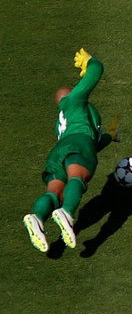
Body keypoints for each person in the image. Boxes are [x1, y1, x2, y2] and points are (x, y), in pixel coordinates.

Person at [23, 48, 118, 252]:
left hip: (59, 152)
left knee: (54, 193)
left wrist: (110, 135)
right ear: (67, 95)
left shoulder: (63, 120)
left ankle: (37, 217)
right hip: (78, 142)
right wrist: (90, 61)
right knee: (77, 179)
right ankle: (66, 213)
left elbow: (93, 145)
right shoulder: (74, 100)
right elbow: (97, 70)